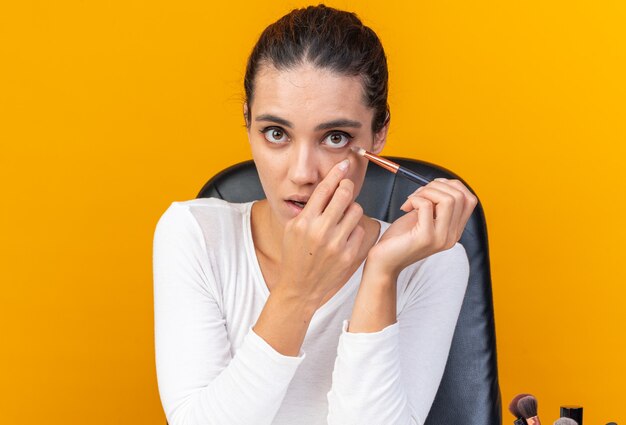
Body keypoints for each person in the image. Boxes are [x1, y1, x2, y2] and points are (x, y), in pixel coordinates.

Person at [153, 4, 478, 425]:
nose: (303, 173)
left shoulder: (431, 262)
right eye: (276, 134)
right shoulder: (193, 235)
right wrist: (297, 292)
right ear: (247, 121)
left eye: (335, 137)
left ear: (378, 134)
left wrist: (379, 275)